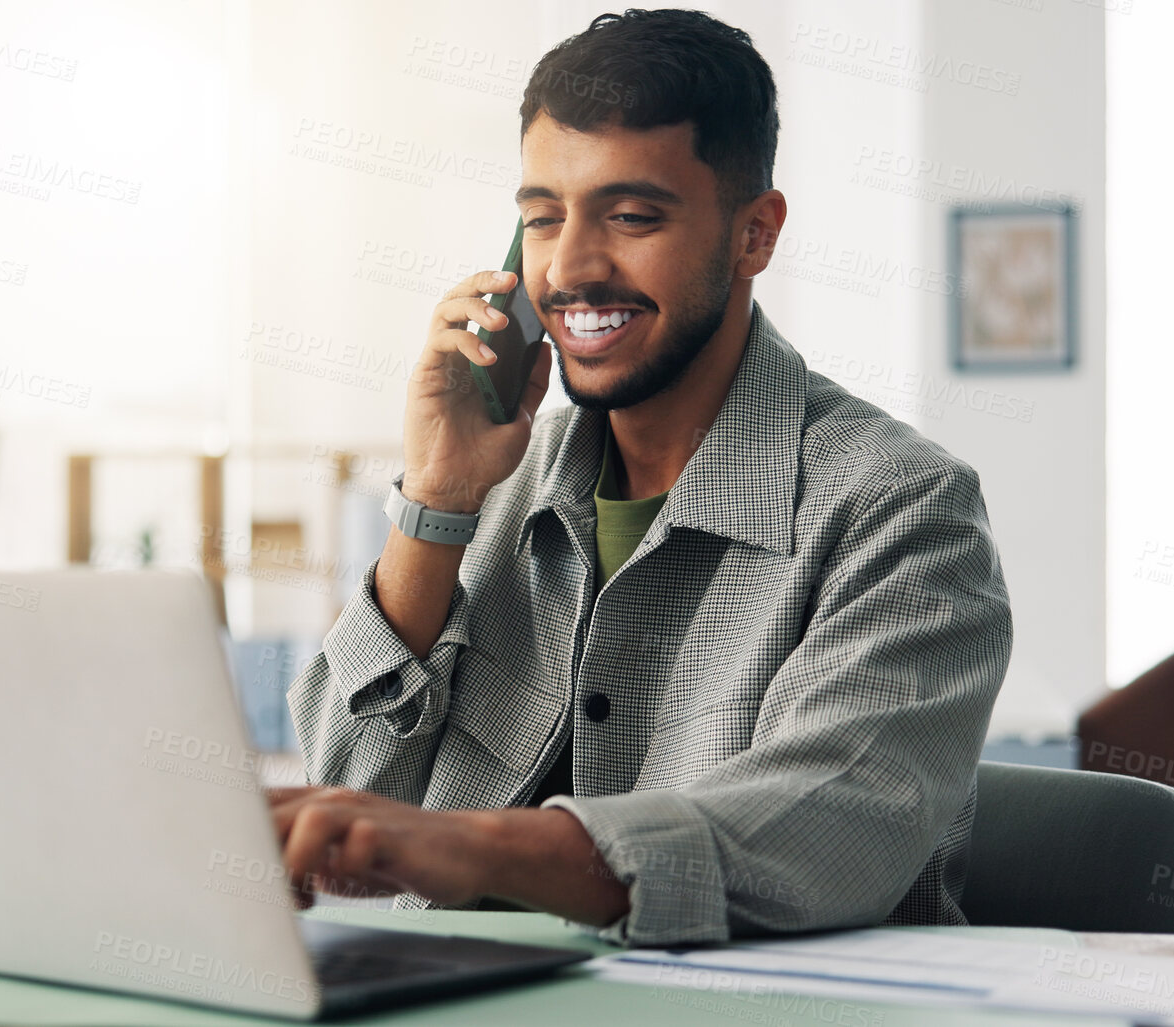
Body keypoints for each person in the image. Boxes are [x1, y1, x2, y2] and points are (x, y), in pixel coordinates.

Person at [275, 8, 1012, 947]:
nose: (569, 268)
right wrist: (436, 499)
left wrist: (474, 846)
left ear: (754, 235)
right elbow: (349, 804)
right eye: (542, 218)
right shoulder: (493, 488)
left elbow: (827, 828)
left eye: (630, 217)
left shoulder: (901, 508)